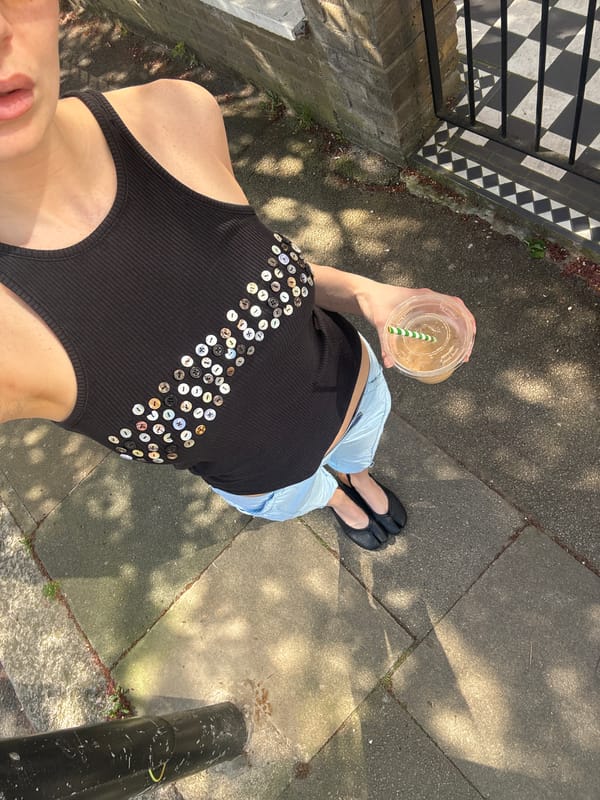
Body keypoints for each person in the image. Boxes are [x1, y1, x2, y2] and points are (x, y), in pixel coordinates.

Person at [0, 1, 475, 551]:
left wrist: (366, 291)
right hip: (277, 486)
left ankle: (357, 476)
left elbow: (253, 285)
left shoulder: (175, 114)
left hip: (359, 395)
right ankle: (335, 498)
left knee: (358, 453)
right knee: (313, 492)